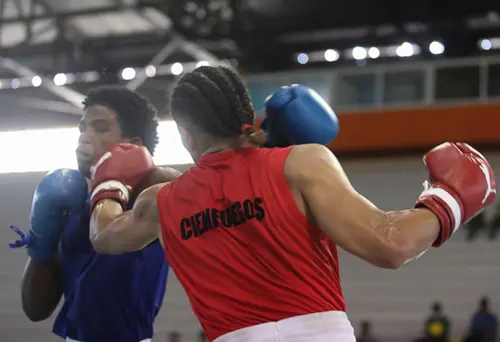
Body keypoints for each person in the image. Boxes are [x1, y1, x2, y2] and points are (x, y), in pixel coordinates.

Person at [85, 66, 497, 342]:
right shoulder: (300, 162)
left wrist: (109, 183)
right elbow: (391, 243)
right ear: (247, 113)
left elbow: (105, 236)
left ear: (187, 138)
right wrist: (449, 199)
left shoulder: (162, 202)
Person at [9, 86, 180, 342]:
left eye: (100, 128)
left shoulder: (152, 188)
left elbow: (196, 187)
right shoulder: (70, 200)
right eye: (82, 128)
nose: (84, 137)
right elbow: (35, 309)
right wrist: (40, 240)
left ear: (133, 146)